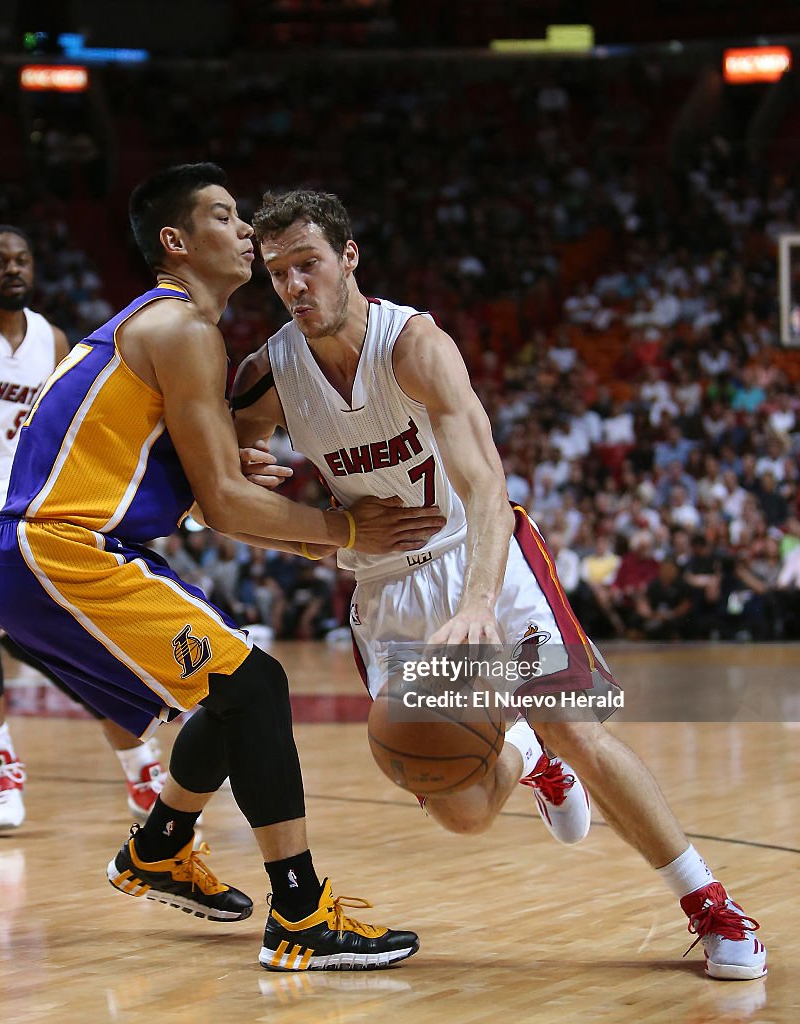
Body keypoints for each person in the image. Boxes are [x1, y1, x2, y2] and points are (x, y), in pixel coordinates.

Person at [230, 188, 766, 982]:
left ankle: (708, 904)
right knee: (462, 808)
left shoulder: (413, 346)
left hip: (479, 556)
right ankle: (524, 753)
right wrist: (293, 511)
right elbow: (234, 489)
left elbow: (485, 488)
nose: (294, 285)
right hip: (385, 588)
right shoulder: (266, 375)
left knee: (577, 727)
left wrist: (479, 599)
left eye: (307, 264)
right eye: (277, 273)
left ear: (347, 258)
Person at [0, 164, 442, 971]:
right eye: (225, 217)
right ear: (176, 242)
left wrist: (242, 496)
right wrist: (344, 528)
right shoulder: (180, 328)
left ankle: (159, 848)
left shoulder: (170, 331)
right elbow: (227, 505)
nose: (242, 232)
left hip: (68, 552)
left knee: (235, 692)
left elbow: (198, 495)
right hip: (61, 550)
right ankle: (298, 913)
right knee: (255, 685)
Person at [0, 225, 166, 831]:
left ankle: (141, 768)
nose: (13, 269)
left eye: (23, 259)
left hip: (15, 507)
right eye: (0, 261)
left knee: (63, 637)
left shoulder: (51, 340)